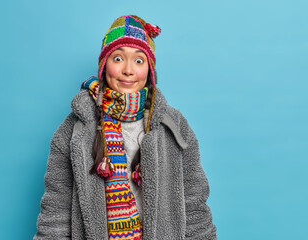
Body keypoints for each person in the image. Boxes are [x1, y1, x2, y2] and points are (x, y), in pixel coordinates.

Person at [34, 15, 217, 240]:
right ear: (104, 66)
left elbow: (194, 205)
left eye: (139, 61)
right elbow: (56, 212)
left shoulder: (174, 126)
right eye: (118, 58)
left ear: (150, 71)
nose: (128, 70)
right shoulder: (74, 130)